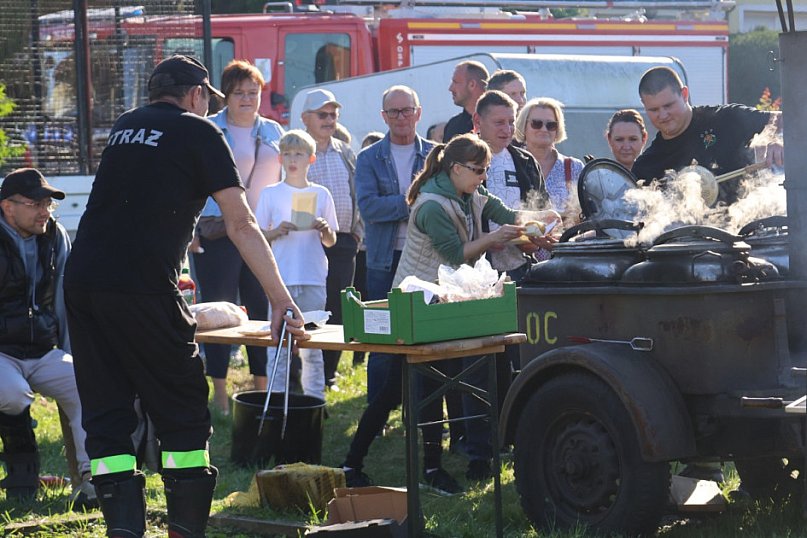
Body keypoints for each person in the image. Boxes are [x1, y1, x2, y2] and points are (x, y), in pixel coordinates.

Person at [63, 55, 305, 538]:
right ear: (196, 95)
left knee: (107, 413)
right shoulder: (200, 132)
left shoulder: (127, 126)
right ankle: (185, 530)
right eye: (206, 100)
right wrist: (280, 299)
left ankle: (124, 531)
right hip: (142, 285)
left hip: (84, 282)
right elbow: (240, 222)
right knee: (183, 409)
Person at [346, 85, 452, 490]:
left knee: (428, 353)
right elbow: (369, 207)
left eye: (407, 110)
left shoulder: (437, 155)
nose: (402, 117)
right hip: (383, 261)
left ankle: (425, 445)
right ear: (384, 115)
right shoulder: (370, 157)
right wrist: (416, 201)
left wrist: (410, 204)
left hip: (428, 262)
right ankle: (381, 414)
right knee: (382, 346)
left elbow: (446, 200)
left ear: (419, 111)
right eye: (394, 112)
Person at [0, 168, 95, 507]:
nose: (45, 212)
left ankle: (91, 482)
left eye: (48, 205)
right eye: (36, 204)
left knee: (86, 384)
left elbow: (63, 301)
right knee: (11, 394)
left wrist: (74, 355)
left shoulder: (55, 236)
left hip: (41, 349)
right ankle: (21, 466)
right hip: (1, 352)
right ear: (8, 207)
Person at [193, 59, 284, 414]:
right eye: (239, 93)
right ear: (225, 96)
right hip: (218, 231)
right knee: (219, 310)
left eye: (253, 92)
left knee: (261, 310)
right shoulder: (208, 128)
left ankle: (260, 393)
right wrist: (192, 231)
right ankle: (218, 393)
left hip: (261, 232)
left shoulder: (274, 131)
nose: (247, 99)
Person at [255, 130, 338, 400]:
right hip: (281, 278)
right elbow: (258, 236)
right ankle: (276, 398)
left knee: (313, 343)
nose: (293, 160)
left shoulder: (321, 194)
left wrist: (324, 229)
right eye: (288, 154)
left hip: (313, 276)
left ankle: (315, 400)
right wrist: (276, 230)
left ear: (310, 159)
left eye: (299, 154)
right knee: (278, 344)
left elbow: (331, 240)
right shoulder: (271, 193)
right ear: (280, 158)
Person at [632, 66, 783, 205]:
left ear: (684, 94)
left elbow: (789, 121)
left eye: (668, 106)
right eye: (654, 110)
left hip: (747, 227)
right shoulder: (646, 166)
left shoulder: (725, 119)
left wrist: (775, 139)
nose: (663, 115)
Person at [301, 89, 361, 391]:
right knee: (306, 306)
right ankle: (305, 376)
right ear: (305, 119)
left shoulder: (346, 151)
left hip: (342, 241)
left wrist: (356, 231)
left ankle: (328, 376)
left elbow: (357, 194)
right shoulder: (294, 149)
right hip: (303, 244)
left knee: (338, 309)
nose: (329, 120)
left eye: (333, 115)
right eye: (322, 115)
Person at [473, 90, 550, 284]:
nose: (507, 130)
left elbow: (540, 211)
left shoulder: (525, 161)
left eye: (511, 122)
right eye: (499, 122)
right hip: (475, 271)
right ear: (477, 120)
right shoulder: (461, 161)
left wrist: (535, 239)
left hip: (519, 267)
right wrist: (485, 240)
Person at [515, 97, 583, 222]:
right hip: (516, 239)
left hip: (564, 238)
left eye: (551, 125)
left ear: (557, 130)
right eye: (536, 124)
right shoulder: (510, 163)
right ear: (523, 126)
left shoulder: (574, 167)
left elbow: (585, 214)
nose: (544, 129)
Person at [444, 61, 489, 142]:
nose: (450, 88)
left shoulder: (495, 123)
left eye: (455, 82)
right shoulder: (453, 126)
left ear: (472, 84)